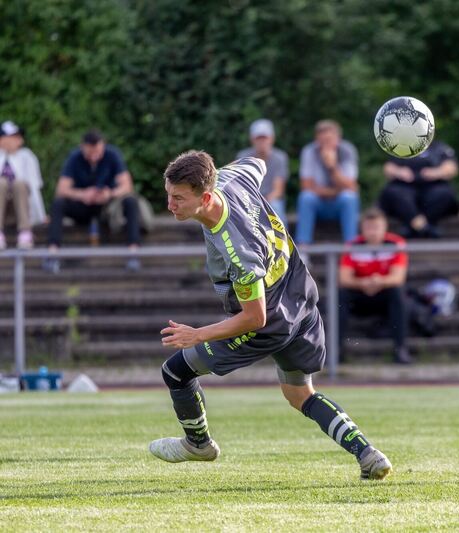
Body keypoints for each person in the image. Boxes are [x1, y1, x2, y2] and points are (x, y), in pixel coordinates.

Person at [150, 151, 392, 480]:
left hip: (268, 322)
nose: (170, 205)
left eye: (178, 198)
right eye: (168, 194)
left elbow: (255, 318)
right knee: (300, 394)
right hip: (301, 301)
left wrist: (199, 334)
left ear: (206, 197)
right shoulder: (233, 178)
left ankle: (199, 444)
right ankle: (368, 454)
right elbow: (256, 162)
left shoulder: (239, 251)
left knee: (176, 371)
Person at [44, 130, 141, 273]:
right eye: (91, 153)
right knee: (58, 203)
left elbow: (127, 186)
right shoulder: (74, 157)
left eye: (98, 152)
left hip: (107, 208)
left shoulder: (112, 155)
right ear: (83, 147)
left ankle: (133, 253)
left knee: (131, 202)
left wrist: (109, 193)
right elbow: (61, 189)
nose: (94, 156)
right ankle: (52, 253)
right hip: (83, 207)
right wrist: (82, 194)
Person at [339, 207, 412, 364]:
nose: (373, 232)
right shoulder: (352, 245)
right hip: (360, 295)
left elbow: (398, 278)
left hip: (384, 296)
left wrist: (379, 281)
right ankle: (335, 352)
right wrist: (362, 283)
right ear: (362, 229)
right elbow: (344, 279)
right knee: (341, 296)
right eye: (369, 227)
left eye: (376, 227)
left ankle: (401, 350)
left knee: (398, 293)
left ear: (385, 227)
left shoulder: (396, 243)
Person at [378, 140, 459, 238]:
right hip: (405, 187)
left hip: (433, 187)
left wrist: (436, 172)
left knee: (445, 194)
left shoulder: (440, 148)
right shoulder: (401, 146)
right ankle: (425, 228)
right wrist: (399, 172)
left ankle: (413, 226)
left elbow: (452, 168)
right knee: (394, 193)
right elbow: (388, 167)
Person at [295, 120, 359, 244]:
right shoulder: (309, 151)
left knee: (349, 198)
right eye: (322, 141)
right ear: (316, 139)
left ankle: (351, 247)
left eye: (329, 140)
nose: (326, 145)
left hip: (339, 202)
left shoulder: (347, 151)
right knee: (306, 198)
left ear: (338, 138)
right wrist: (336, 190)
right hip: (318, 202)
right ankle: (303, 248)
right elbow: (306, 186)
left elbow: (351, 187)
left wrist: (332, 167)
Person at [0, 121, 46, 249]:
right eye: (13, 137)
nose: (18, 140)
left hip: (21, 212)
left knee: (19, 184)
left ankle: (25, 232)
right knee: (1, 183)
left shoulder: (27, 156)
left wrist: (40, 216)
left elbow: (34, 189)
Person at [235, 118, 289, 223]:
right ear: (252, 139)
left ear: (272, 139)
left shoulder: (280, 157)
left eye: (264, 138)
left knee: (275, 207)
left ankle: (282, 239)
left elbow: (278, 191)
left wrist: (262, 202)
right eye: (258, 138)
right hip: (249, 199)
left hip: (271, 199)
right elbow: (239, 186)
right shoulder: (242, 157)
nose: (262, 141)